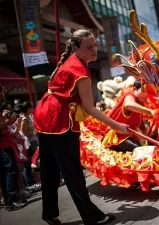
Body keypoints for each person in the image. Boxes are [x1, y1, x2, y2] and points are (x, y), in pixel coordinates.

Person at [34, 29, 128, 225]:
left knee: (50, 169)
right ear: (76, 49)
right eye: (89, 47)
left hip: (44, 114)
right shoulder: (80, 72)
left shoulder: (70, 62)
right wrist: (117, 125)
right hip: (58, 119)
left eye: (95, 45)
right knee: (72, 171)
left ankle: (49, 213)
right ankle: (93, 218)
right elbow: (90, 108)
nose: (94, 50)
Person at [102, 80, 154, 152]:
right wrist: (151, 112)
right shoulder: (130, 95)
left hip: (130, 136)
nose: (146, 95)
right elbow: (128, 104)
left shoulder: (140, 103)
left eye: (149, 92)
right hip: (116, 137)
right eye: (143, 91)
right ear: (135, 89)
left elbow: (140, 123)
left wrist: (147, 138)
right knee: (140, 151)